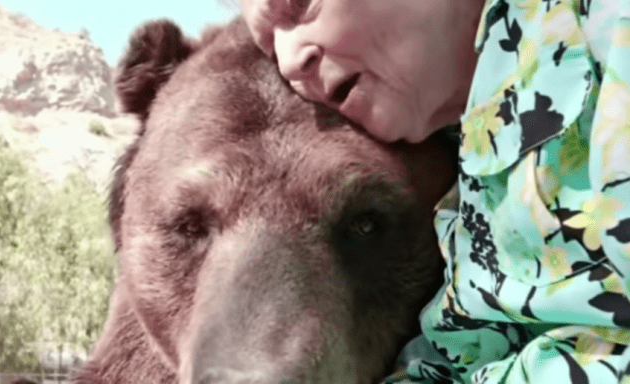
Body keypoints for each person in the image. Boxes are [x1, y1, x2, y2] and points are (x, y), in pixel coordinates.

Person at [241, 0, 630, 383]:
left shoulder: (605, 24)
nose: (289, 62)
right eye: (271, 50)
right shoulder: (454, 191)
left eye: (300, 5)